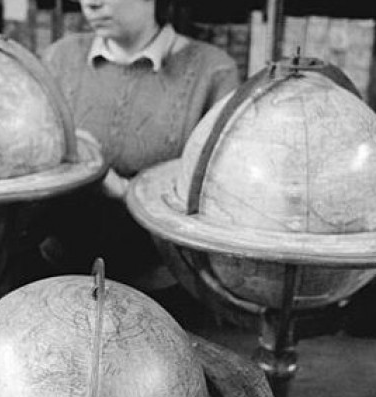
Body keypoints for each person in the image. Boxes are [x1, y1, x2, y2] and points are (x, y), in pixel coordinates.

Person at [39, 0, 240, 293]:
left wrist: (121, 190)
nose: (91, 4)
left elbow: (217, 197)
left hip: (163, 283)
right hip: (55, 274)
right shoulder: (60, 56)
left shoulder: (214, 71)